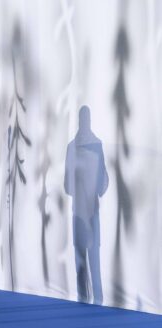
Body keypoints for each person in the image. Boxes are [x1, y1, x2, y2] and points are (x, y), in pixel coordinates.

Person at [64, 105, 109, 305]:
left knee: (84, 258)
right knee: (89, 258)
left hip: (83, 209)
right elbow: (103, 181)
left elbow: (67, 184)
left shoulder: (73, 147)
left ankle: (87, 298)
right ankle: (94, 298)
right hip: (88, 208)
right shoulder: (93, 145)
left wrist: (80, 188)